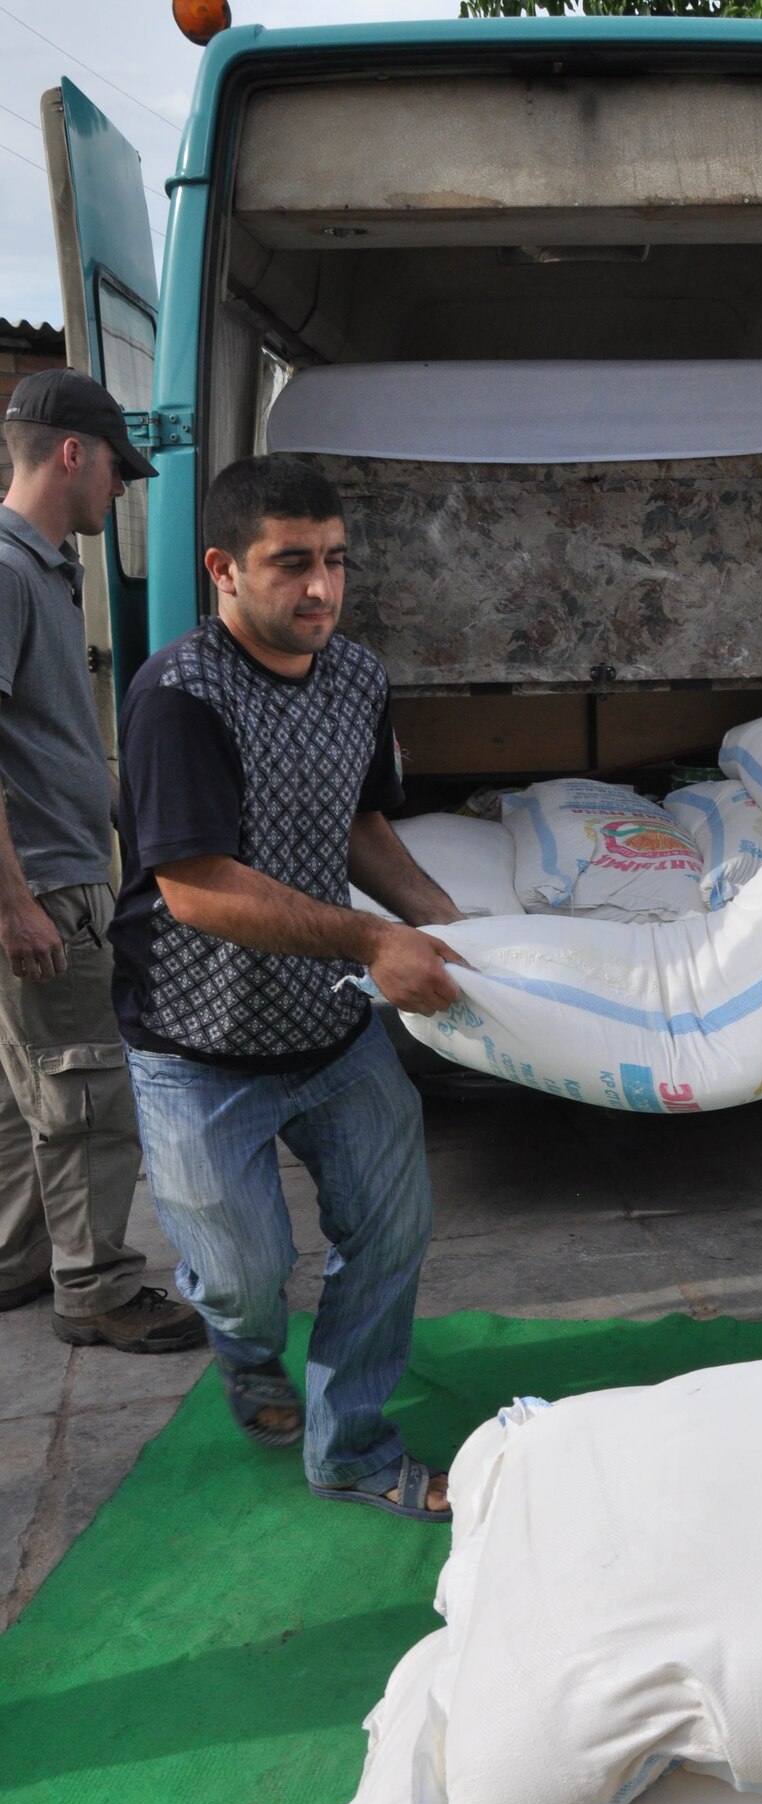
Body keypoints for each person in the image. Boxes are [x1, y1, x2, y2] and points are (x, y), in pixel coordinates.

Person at [110, 452, 469, 1514]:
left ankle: (352, 1446)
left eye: (335, 561)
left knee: (392, 1232)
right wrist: (371, 943)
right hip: (194, 1049)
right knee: (243, 1277)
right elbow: (195, 885)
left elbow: (360, 828)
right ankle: (246, 1350)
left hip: (334, 1033)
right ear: (222, 568)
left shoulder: (355, 676)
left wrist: (449, 924)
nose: (320, 588)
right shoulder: (177, 695)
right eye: (290, 564)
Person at [0, 368, 205, 1352]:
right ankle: (97, 1287)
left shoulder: (37, 568)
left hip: (44, 872)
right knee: (85, 1086)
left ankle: (18, 1262)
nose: (119, 490)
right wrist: (17, 901)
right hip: (39, 881)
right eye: (115, 470)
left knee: (27, 1085)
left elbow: (41, 735)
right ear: (70, 454)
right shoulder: (4, 570)